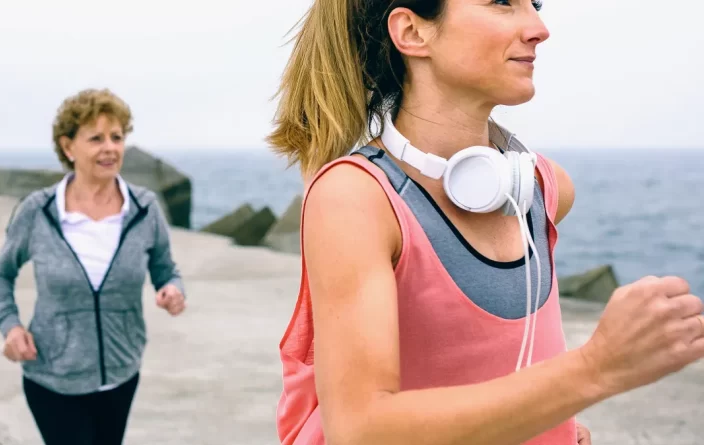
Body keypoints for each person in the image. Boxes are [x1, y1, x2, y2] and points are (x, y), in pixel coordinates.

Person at [267, 1, 704, 444]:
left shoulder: (542, 189)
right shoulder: (356, 198)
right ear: (413, 33)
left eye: (534, 5)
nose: (539, 28)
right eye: (501, 2)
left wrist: (549, 426)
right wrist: (596, 368)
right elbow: (361, 430)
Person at [0, 88, 187, 445]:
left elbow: (165, 268)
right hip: (53, 378)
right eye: (96, 138)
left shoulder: (144, 209)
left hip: (122, 373)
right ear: (68, 147)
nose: (110, 148)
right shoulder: (38, 211)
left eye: (117, 137)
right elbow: (1, 273)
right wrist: (10, 326)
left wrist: (173, 289)